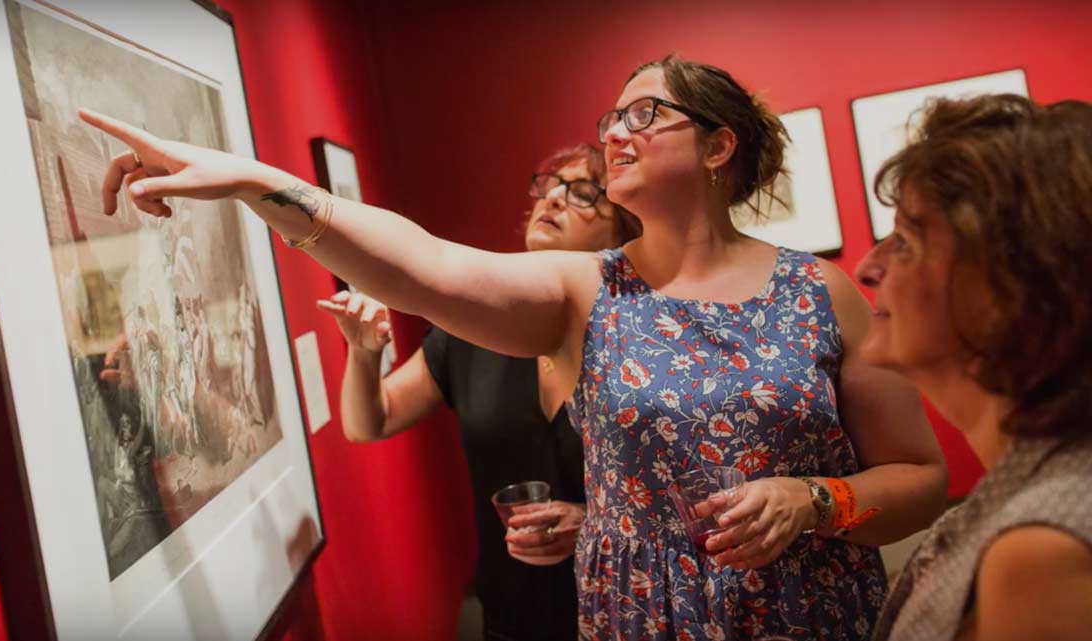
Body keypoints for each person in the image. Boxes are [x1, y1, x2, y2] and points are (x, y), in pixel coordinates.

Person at [79, 54, 948, 640]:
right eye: (613, 116)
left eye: (648, 113)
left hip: (811, 616)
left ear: (720, 145)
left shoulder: (819, 292)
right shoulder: (586, 290)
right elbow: (421, 265)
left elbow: (919, 477)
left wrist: (813, 499)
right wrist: (254, 180)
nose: (616, 132)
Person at [316, 143, 640, 641]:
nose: (552, 201)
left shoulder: (646, 337)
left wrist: (593, 522)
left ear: (624, 228)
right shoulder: (472, 328)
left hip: (628, 607)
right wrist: (362, 353)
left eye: (581, 193)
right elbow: (369, 422)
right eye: (547, 188)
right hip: (511, 611)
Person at [854, 95, 1092, 641]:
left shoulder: (1043, 549)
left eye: (906, 244)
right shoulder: (1029, 485)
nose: (869, 267)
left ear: (1006, 290)